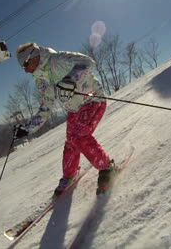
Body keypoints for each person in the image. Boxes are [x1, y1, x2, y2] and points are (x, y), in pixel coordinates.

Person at [13, 42, 116, 196]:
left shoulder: (58, 59)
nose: (26, 70)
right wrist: (27, 128)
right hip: (74, 109)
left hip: (92, 99)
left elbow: (88, 63)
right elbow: (46, 107)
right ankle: (70, 175)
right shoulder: (40, 79)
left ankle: (108, 167)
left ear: (33, 56)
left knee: (79, 136)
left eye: (25, 64)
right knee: (70, 143)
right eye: (23, 67)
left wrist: (70, 80)